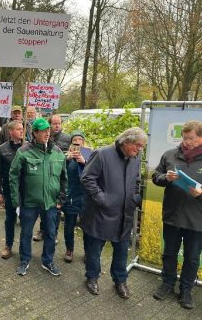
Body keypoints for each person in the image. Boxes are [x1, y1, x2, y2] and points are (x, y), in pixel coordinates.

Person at [80, 127, 147, 299]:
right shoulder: (102, 154)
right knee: (94, 249)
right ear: (126, 141)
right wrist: (102, 199)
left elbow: (137, 180)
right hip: (101, 213)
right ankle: (92, 277)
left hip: (125, 214)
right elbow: (87, 178)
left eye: (142, 146)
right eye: (138, 145)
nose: (140, 149)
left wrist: (136, 198)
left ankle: (120, 280)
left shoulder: (135, 158)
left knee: (122, 250)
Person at [151, 120, 202, 309]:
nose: (187, 142)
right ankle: (167, 283)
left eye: (192, 139)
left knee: (192, 257)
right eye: (185, 138)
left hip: (197, 220)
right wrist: (166, 178)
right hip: (172, 216)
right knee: (169, 253)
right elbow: (155, 176)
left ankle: (186, 289)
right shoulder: (170, 155)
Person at [10, 118, 67, 276]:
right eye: (43, 130)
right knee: (26, 232)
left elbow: (64, 178)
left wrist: (61, 198)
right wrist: (16, 200)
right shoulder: (24, 151)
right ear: (34, 133)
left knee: (50, 233)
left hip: (51, 203)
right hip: (29, 202)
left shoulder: (57, 152)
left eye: (48, 130)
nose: (47, 133)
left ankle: (48, 261)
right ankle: (24, 260)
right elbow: (13, 176)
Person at [33, 114, 71, 242]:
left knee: (55, 211)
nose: (57, 125)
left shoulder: (67, 138)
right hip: (43, 177)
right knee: (43, 210)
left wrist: (67, 157)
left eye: (59, 123)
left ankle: (53, 234)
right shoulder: (44, 137)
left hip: (57, 176)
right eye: (54, 123)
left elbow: (71, 153)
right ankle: (42, 231)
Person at [0, 120, 23, 259]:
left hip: (27, 190)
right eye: (18, 129)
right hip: (10, 189)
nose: (22, 131)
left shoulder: (28, 147)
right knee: (10, 219)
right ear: (11, 132)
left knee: (26, 220)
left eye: (22, 129)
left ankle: (25, 248)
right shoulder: (2, 149)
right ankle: (8, 245)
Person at [61, 131, 92, 263]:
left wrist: (84, 162)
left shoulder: (90, 156)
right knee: (69, 226)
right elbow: (59, 174)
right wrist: (66, 160)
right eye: (75, 140)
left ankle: (88, 252)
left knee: (87, 227)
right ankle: (69, 249)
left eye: (80, 139)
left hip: (86, 198)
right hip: (71, 196)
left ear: (84, 143)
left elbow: (96, 174)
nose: (78, 141)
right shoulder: (65, 157)